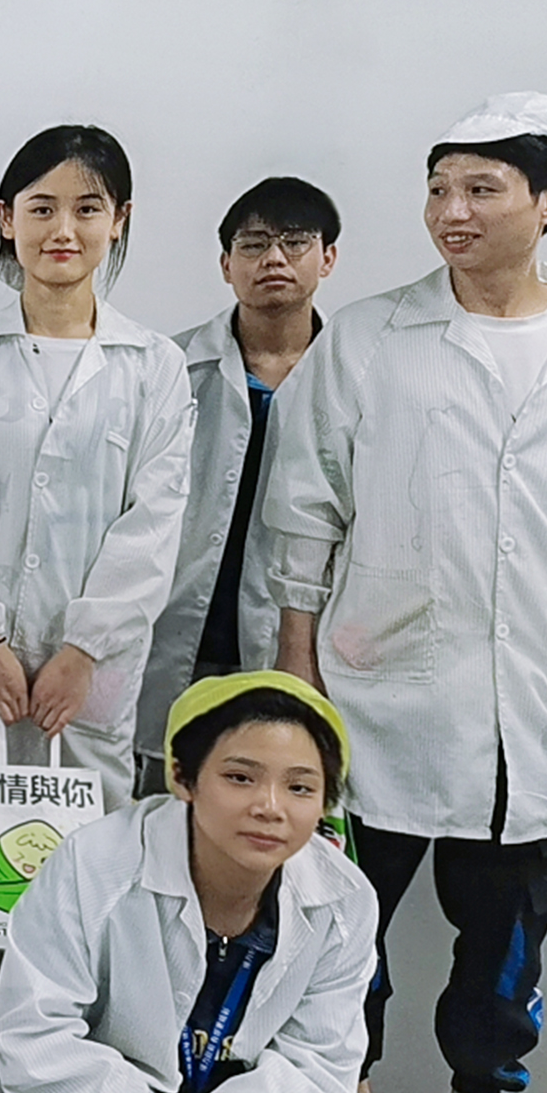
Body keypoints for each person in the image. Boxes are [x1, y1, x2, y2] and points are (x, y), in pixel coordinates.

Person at [268, 92, 547, 1093]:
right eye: (439, 187)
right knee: (344, 907)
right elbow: (303, 508)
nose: (452, 210)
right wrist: (296, 671)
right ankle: (347, 1084)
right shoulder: (368, 338)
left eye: (481, 189)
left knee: (509, 926)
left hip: (529, 698)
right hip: (376, 687)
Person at [0, 124, 191, 1093]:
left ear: (120, 221)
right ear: (5, 220)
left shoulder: (153, 367)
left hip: (84, 680)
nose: (63, 229)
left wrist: (81, 649)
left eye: (87, 208)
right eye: (42, 208)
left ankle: (57, 1074)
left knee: (72, 874)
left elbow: (154, 523)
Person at [0, 673, 374, 1093]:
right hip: (101, 1083)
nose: (270, 807)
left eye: (300, 788)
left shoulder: (344, 900)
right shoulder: (95, 863)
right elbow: (33, 1035)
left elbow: (320, 1056)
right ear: (184, 778)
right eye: (240, 777)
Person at [135, 179, 339, 790]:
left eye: (295, 242)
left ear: (328, 257)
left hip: (296, 640)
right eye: (253, 244)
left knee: (266, 805)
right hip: (174, 632)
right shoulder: (169, 368)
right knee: (162, 799)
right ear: (226, 265)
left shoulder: (352, 378)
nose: (273, 258)